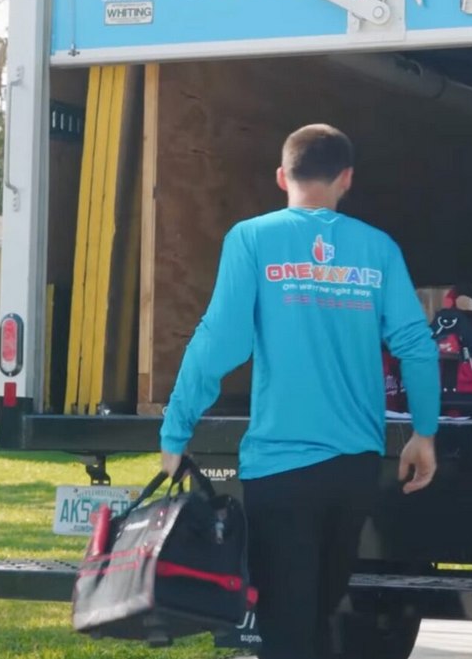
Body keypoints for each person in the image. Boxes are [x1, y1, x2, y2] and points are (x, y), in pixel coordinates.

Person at [160, 124, 441, 659]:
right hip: (355, 469)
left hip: (280, 471)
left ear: (281, 176)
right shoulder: (377, 248)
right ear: (347, 179)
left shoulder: (252, 238)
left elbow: (220, 342)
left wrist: (177, 430)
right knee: (319, 618)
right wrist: (423, 434)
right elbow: (416, 345)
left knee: (286, 631)